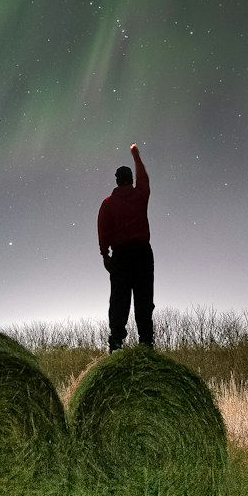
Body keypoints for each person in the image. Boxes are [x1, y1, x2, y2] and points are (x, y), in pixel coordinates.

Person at [97, 143, 154, 351]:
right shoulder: (140, 195)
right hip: (142, 252)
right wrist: (136, 156)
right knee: (144, 296)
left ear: (116, 180)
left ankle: (116, 340)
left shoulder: (108, 203)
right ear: (131, 179)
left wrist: (105, 255)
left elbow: (103, 230)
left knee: (120, 298)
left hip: (120, 254)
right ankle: (146, 340)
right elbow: (145, 179)